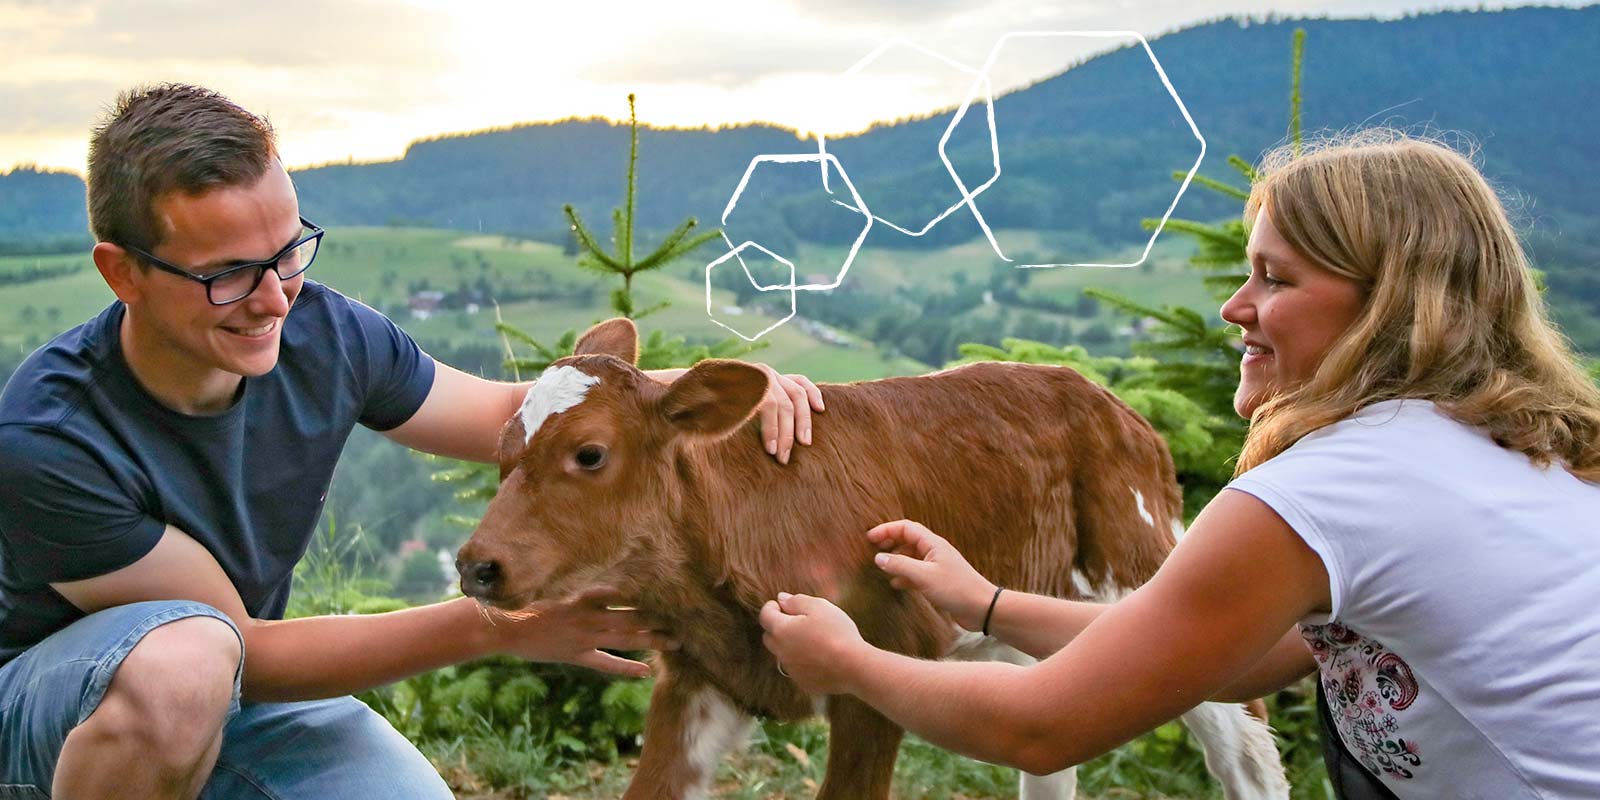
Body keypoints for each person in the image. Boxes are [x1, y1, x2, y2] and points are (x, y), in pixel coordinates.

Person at [0, 83, 824, 799]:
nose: (274, 301)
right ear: (123, 273)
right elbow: (243, 648)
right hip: (58, 722)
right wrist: (498, 626)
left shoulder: (326, 335)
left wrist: (689, 400)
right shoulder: (50, 438)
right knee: (183, 666)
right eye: (227, 275)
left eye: (287, 253)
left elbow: (511, 412)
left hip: (231, 705)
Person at [761, 130, 1600, 798]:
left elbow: (1041, 728)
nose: (1236, 309)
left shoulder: (1334, 490)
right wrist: (983, 604)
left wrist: (852, 663)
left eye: (1275, 279)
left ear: (1388, 305)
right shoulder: (1531, 447)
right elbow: (1241, 655)